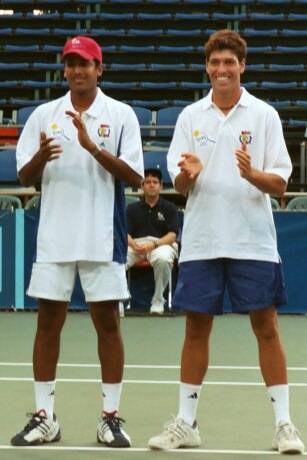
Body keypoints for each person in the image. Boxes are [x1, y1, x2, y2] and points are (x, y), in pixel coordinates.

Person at [148, 29, 305, 454]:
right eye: (215, 63)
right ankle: (186, 423)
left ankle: (285, 425)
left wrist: (252, 174)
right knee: (196, 328)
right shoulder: (190, 118)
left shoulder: (265, 115)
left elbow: (280, 184)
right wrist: (188, 175)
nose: (222, 70)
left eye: (229, 63)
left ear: (242, 67)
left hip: (252, 241)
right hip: (202, 240)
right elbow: (179, 184)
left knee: (266, 327)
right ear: (207, 67)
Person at [11, 35, 143, 448]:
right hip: (55, 237)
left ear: (99, 69)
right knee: (48, 323)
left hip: (102, 237)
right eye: (70, 63)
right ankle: (44, 417)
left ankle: (110, 417)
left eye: (84, 63)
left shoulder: (120, 115)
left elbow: (137, 177)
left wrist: (93, 148)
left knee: (108, 324)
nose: (77, 70)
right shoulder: (43, 116)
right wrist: (40, 158)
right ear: (64, 70)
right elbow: (23, 177)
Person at [126, 168, 179, 314]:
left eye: (155, 182)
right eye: (147, 182)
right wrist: (132, 244)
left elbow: (173, 235)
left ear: (161, 186)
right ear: (142, 185)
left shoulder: (170, 208)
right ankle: (118, 300)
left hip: (160, 244)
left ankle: (158, 300)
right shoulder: (131, 208)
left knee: (163, 258)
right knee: (117, 259)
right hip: (136, 244)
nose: (151, 185)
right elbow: (125, 233)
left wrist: (154, 244)